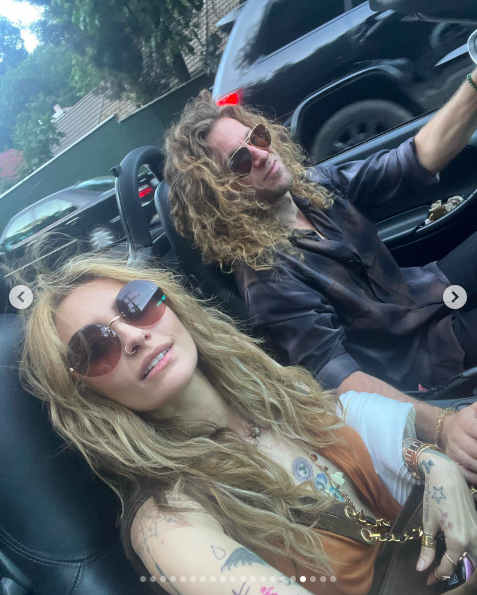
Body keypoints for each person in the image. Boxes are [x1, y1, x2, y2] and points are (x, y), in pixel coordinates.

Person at [20, 252, 477, 595]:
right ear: (85, 396)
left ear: (169, 303)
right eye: (96, 347)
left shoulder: (270, 394)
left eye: (136, 302)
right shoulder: (167, 521)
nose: (135, 336)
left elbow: (351, 420)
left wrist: (431, 460)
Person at [163, 70, 477, 484]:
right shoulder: (267, 281)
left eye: (256, 136)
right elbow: (343, 383)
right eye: (240, 161)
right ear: (220, 196)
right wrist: (443, 426)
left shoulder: (313, 189)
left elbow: (412, 161)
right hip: (428, 359)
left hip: (430, 293)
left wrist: (473, 87)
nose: (260, 153)